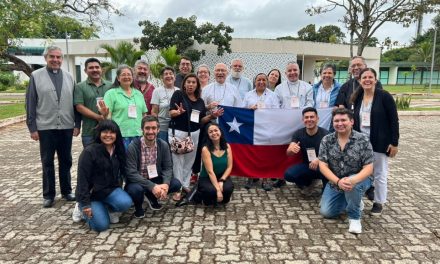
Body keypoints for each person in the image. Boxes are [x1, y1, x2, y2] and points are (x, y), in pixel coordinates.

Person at [25, 45, 79, 208]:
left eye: (58, 57)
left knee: (66, 160)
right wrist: (32, 127)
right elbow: (30, 102)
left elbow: (75, 103)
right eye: (52, 57)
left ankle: (66, 191)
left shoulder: (70, 77)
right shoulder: (36, 76)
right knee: (47, 161)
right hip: (45, 127)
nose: (55, 60)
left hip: (66, 126)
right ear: (45, 58)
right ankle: (48, 195)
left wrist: (77, 124)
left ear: (62, 59)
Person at [351, 68, 399, 216]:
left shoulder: (384, 96)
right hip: (361, 142)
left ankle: (379, 202)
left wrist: (394, 143)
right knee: (362, 172)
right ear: (359, 81)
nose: (367, 80)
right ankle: (358, 200)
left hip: (379, 142)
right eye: (364, 77)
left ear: (375, 80)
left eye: (370, 77)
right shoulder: (358, 97)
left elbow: (394, 120)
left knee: (379, 173)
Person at [319, 108, 374, 234]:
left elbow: (369, 168)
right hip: (336, 181)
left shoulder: (363, 140)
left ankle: (354, 218)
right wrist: (338, 182)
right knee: (327, 212)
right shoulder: (326, 140)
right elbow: (322, 165)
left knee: (352, 185)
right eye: (336, 121)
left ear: (352, 122)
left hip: (360, 179)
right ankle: (354, 199)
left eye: (343, 120)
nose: (340, 123)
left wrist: (352, 180)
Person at [169, 73, 223, 201]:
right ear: (184, 84)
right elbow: (171, 112)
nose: (191, 84)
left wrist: (212, 116)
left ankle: (185, 185)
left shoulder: (200, 101)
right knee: (178, 161)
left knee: (189, 161)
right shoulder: (178, 95)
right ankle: (178, 189)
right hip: (179, 133)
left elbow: (201, 120)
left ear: (197, 85)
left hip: (194, 133)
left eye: (193, 82)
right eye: (188, 82)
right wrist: (178, 112)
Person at [76, 120, 133, 232]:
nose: (108, 135)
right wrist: (86, 204)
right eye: (105, 132)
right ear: (99, 133)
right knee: (101, 226)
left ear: (117, 134)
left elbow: (125, 172)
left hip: (108, 191)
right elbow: (82, 180)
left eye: (112, 132)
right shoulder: (89, 152)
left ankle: (104, 207)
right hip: (91, 195)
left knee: (126, 202)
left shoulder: (118, 150)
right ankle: (81, 208)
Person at [125, 116, 182, 218]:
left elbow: (168, 167)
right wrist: (152, 186)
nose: (150, 131)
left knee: (176, 184)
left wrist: (165, 185)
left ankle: (152, 196)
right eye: (147, 128)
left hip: (155, 178)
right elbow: (131, 173)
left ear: (158, 129)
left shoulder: (163, 145)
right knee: (136, 190)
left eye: (153, 128)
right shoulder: (133, 146)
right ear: (142, 129)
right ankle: (138, 208)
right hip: (138, 181)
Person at [243, 73, 280, 191]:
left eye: (264, 80)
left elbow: (277, 111)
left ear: (267, 82)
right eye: (259, 80)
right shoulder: (248, 95)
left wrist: (266, 111)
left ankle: (265, 179)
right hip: (251, 128)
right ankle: (251, 177)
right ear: (255, 82)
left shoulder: (273, 95)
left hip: (266, 129)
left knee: (265, 154)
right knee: (251, 153)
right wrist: (250, 109)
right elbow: (241, 110)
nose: (261, 82)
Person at [102, 65, 148, 149]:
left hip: (138, 136)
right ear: (118, 78)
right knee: (123, 161)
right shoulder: (111, 93)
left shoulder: (138, 94)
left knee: (137, 161)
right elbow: (108, 117)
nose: (126, 77)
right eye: (123, 75)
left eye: (129, 75)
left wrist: (145, 131)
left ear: (132, 77)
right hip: (120, 135)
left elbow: (144, 115)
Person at [284, 107, 329, 192]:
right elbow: (288, 153)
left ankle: (326, 190)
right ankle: (306, 183)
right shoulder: (298, 133)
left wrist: (319, 159)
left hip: (324, 166)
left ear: (317, 119)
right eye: (306, 117)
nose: (309, 119)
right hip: (307, 165)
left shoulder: (326, 134)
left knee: (329, 171)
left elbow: (332, 154)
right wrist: (291, 150)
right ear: (303, 119)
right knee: (288, 175)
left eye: (312, 117)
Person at [193, 123, 234, 205]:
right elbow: (210, 172)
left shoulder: (227, 146)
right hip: (207, 177)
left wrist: (222, 181)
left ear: (220, 131)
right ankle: (201, 195)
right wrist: (218, 190)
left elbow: (229, 166)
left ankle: (220, 198)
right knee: (212, 191)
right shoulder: (205, 149)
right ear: (208, 135)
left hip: (221, 176)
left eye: (216, 130)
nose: (214, 133)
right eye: (210, 132)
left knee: (228, 189)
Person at [74, 58, 112, 147]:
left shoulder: (110, 86)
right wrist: (98, 117)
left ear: (101, 69)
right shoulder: (80, 87)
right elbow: (79, 107)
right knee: (90, 158)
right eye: (91, 68)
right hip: (89, 132)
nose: (94, 70)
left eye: (97, 67)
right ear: (85, 71)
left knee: (108, 158)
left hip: (109, 131)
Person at [151, 66, 179, 142]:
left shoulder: (179, 91)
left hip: (176, 127)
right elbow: (154, 112)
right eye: (166, 74)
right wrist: (155, 126)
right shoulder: (157, 91)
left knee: (175, 151)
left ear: (175, 77)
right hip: (162, 128)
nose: (169, 76)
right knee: (162, 150)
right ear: (162, 78)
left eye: (171, 73)